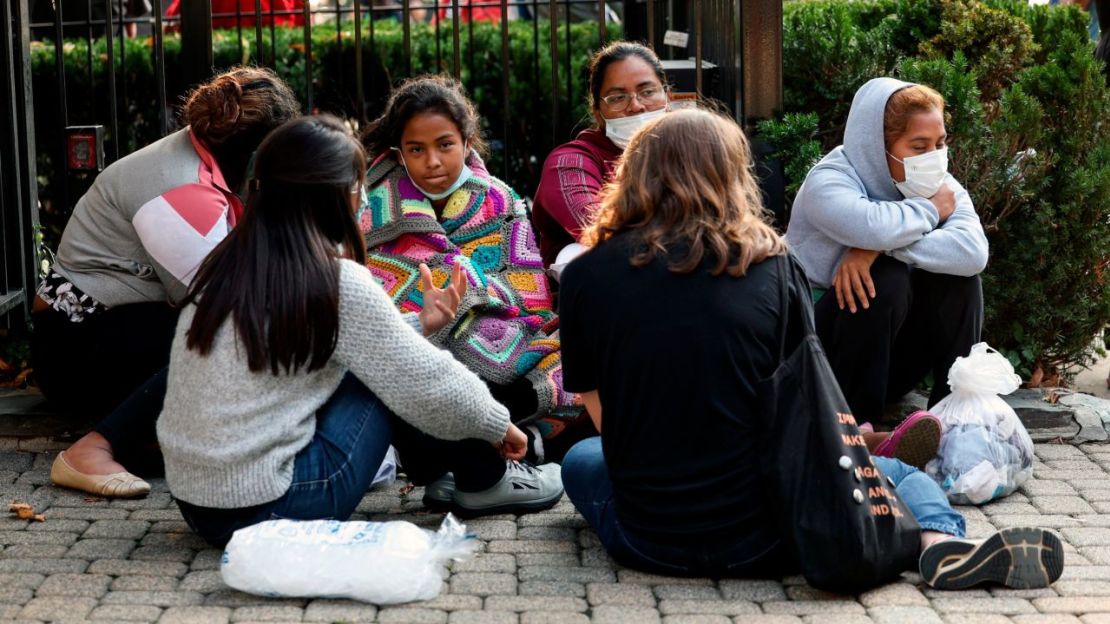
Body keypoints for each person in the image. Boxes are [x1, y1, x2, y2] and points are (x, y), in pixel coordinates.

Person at [557, 108, 1063, 589]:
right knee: (899, 475)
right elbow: (799, 403)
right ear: (732, 176)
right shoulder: (773, 267)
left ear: (632, 174)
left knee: (581, 457)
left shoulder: (584, 275)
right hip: (771, 533)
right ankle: (938, 541)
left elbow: (603, 415)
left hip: (649, 537)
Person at [155, 115, 550, 546]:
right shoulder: (333, 279)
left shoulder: (230, 267)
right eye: (359, 186)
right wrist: (499, 426)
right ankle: (486, 479)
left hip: (200, 506)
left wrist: (421, 322)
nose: (364, 198)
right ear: (339, 194)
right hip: (277, 506)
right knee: (390, 376)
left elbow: (331, 337)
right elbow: (424, 380)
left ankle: (448, 474)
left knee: (382, 362)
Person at [39, 67, 301, 498]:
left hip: (119, 327)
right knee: (226, 338)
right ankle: (93, 451)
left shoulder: (199, 158)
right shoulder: (181, 192)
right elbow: (225, 303)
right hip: (75, 351)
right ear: (256, 151)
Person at [360, 75, 578, 513]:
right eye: (416, 149)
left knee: (569, 361)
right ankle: (479, 461)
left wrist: (471, 294)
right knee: (411, 376)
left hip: (504, 338)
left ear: (466, 140)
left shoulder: (501, 200)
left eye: (445, 145)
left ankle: (496, 453)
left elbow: (528, 290)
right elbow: (376, 299)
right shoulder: (373, 209)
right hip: (423, 349)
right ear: (399, 152)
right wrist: (443, 313)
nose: (433, 161)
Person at [785, 78, 989, 427]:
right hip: (818, 356)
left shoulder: (940, 185)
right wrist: (928, 211)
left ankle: (950, 419)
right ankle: (858, 428)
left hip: (888, 361)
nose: (935, 157)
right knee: (887, 280)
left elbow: (972, 253)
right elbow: (872, 226)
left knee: (960, 283)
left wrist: (874, 252)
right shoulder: (829, 181)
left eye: (940, 143)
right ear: (877, 146)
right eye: (919, 146)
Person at [532, 41, 668, 268]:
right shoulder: (570, 162)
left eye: (647, 92)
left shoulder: (690, 153)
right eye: (617, 98)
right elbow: (600, 230)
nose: (636, 106)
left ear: (668, 96)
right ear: (597, 111)